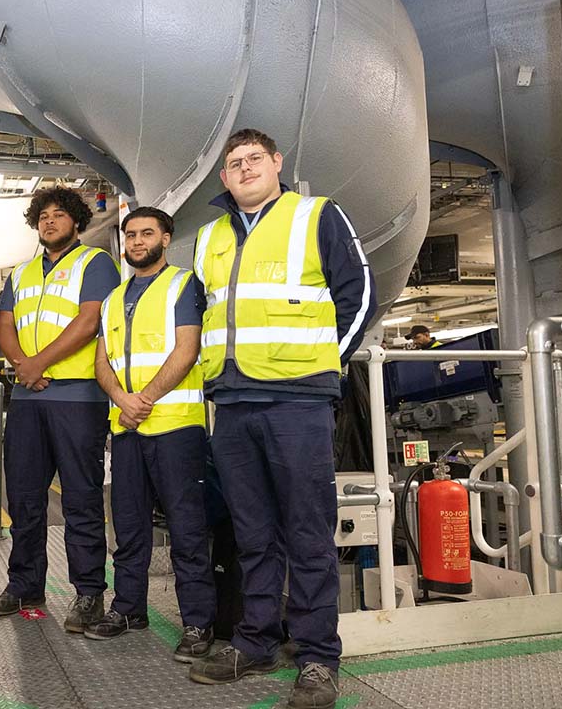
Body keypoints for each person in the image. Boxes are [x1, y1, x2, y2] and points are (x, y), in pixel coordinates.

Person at [188, 128, 376, 709]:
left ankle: (318, 655)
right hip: (233, 403)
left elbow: (359, 294)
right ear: (223, 178)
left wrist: (323, 363)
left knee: (307, 531)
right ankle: (257, 639)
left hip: (298, 401)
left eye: (253, 159)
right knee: (252, 533)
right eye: (233, 163)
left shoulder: (316, 215)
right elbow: (205, 315)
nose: (243, 169)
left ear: (276, 164)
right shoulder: (209, 237)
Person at [0, 186, 121, 633]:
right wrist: (24, 367)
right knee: (23, 499)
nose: (49, 221)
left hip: (77, 397)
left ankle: (88, 595)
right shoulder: (21, 274)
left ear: (76, 221)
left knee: (80, 499)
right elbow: (5, 325)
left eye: (59, 215)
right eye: (43, 216)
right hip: (27, 398)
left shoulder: (95, 263)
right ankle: (25, 585)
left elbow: (90, 320)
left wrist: (37, 363)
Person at [88, 206, 217, 663]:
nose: (137, 242)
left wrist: (143, 398)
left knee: (186, 530)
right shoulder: (113, 298)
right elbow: (102, 361)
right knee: (128, 526)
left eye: (146, 233)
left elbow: (188, 348)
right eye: (130, 235)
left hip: (175, 428)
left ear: (166, 238)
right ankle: (128, 609)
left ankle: (198, 622)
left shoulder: (184, 285)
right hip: (126, 429)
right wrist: (123, 400)